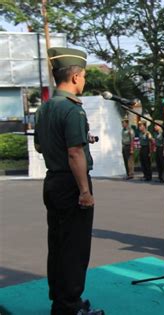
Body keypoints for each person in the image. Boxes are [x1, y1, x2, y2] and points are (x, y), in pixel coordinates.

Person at [34, 47, 104, 315]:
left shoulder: (45, 108)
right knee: (75, 248)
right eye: (84, 76)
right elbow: (74, 152)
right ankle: (70, 306)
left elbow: (41, 147)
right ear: (75, 77)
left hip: (52, 181)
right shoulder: (73, 110)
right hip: (71, 184)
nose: (84, 80)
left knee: (58, 244)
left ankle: (60, 301)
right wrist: (84, 191)